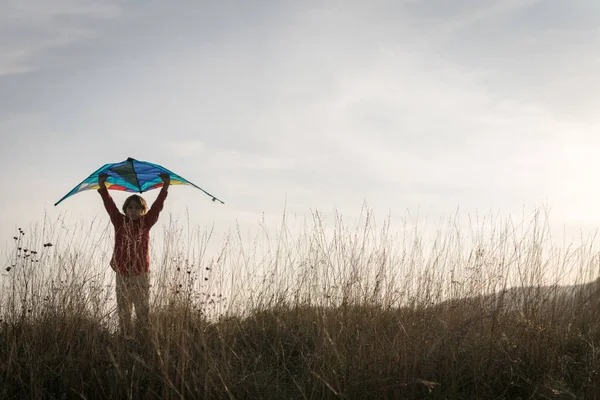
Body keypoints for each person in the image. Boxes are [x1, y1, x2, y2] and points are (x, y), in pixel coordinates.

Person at [98, 172, 170, 338]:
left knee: (142, 310)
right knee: (123, 311)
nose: (133, 211)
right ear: (125, 209)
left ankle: (143, 338)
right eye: (130, 207)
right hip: (122, 273)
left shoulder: (146, 222)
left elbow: (158, 206)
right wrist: (102, 186)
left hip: (140, 273)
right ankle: (125, 339)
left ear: (143, 211)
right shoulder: (119, 221)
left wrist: (165, 186)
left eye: (137, 208)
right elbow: (109, 204)